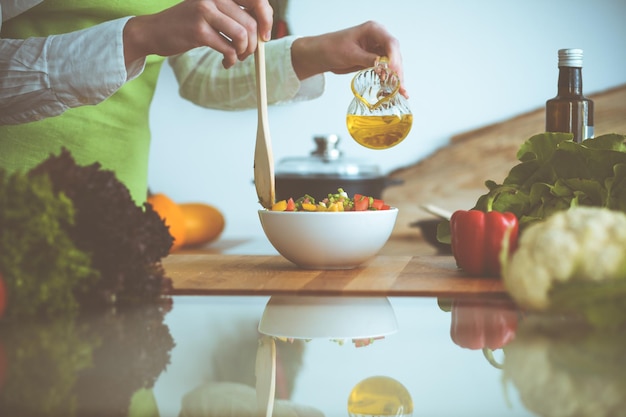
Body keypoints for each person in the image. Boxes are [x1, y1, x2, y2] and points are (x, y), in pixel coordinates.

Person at [0, 0, 407, 204]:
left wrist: (314, 52)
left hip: (117, 208)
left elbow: (201, 71)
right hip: (13, 206)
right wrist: (138, 38)